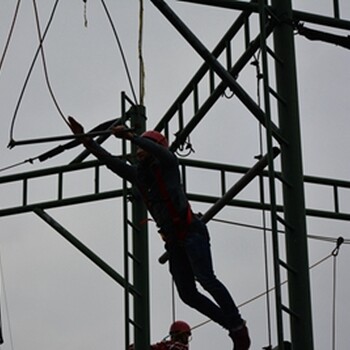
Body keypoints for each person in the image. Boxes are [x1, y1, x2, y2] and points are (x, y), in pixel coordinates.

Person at [68, 116, 251, 350]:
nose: (138, 152)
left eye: (142, 148)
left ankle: (237, 326)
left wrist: (132, 136)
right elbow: (110, 162)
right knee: (187, 294)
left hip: (191, 232)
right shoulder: (139, 176)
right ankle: (230, 324)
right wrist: (86, 141)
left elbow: (162, 153)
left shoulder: (168, 165)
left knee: (206, 279)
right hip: (175, 241)